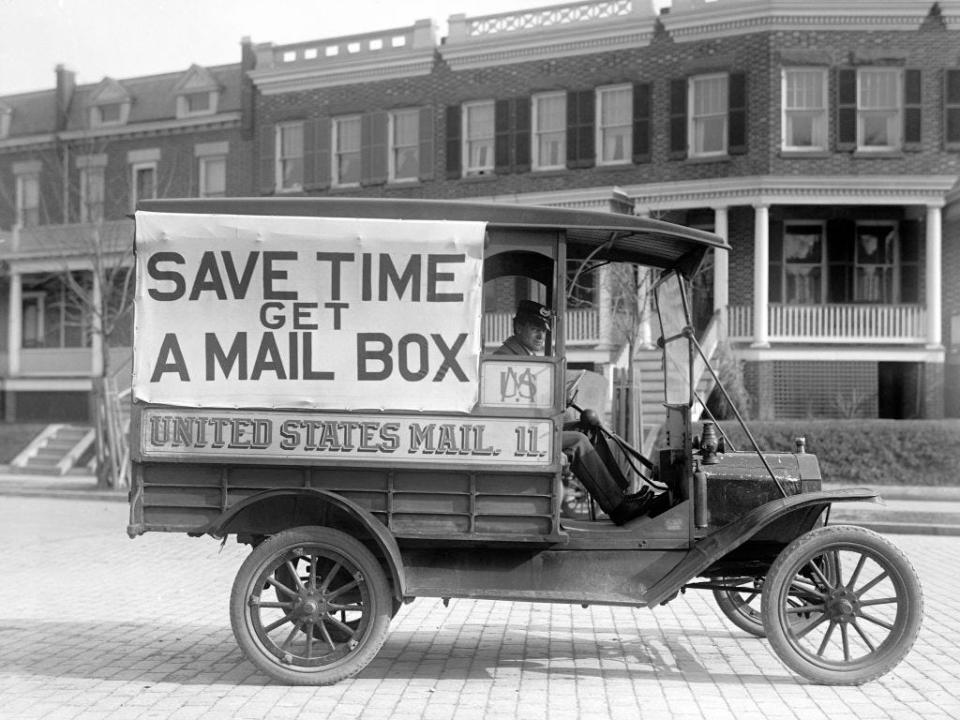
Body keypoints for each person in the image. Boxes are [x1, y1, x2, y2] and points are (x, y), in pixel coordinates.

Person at [495, 300, 668, 525]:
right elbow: (517, 408)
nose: (540, 336)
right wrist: (557, 402)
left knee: (588, 430)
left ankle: (620, 495)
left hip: (532, 430)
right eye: (535, 329)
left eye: (543, 331)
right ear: (518, 328)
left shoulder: (524, 355)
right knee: (577, 441)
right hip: (516, 436)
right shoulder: (505, 358)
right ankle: (618, 507)